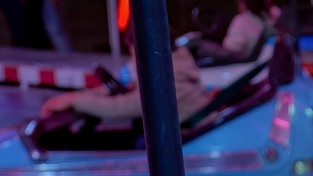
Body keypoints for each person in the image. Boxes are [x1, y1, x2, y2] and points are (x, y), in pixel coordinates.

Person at [42, 42, 213, 123]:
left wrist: (73, 100)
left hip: (192, 142)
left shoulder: (166, 79)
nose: (132, 62)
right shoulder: (177, 65)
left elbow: (117, 107)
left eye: (133, 55)